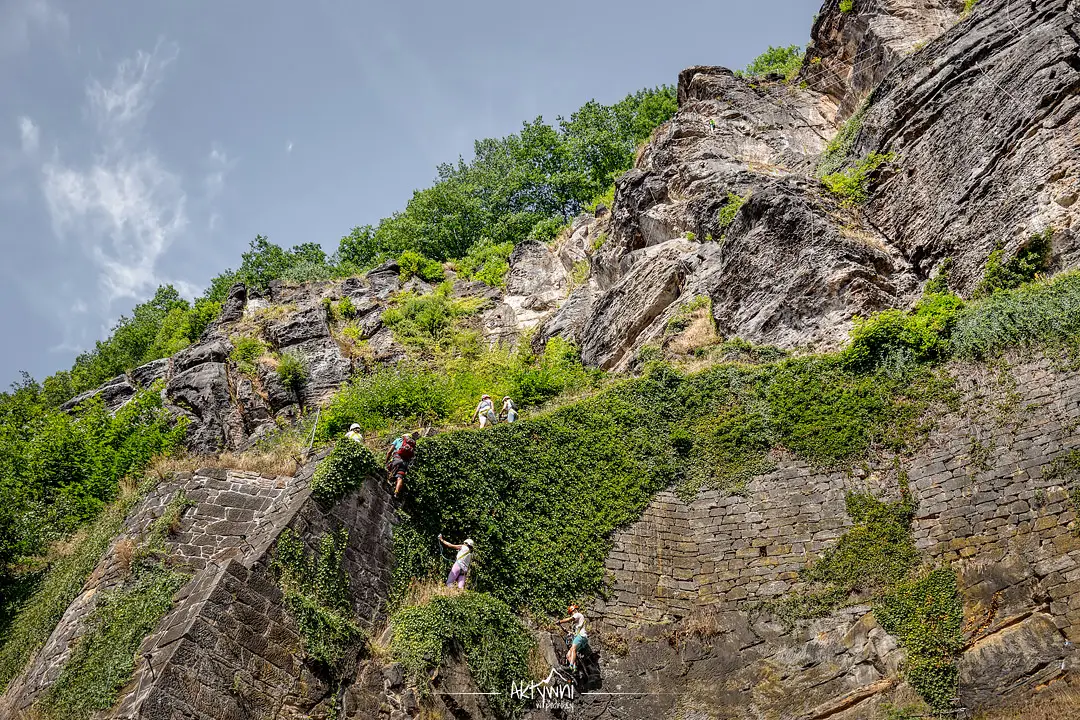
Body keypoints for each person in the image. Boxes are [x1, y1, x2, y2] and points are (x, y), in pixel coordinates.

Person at [385, 431, 419, 498]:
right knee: (400, 477)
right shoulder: (412, 444)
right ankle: (396, 493)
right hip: (405, 462)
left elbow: (389, 452)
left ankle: (388, 483)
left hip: (397, 459)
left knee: (389, 469)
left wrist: (386, 461)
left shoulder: (398, 440)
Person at [556, 604, 589, 673]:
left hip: (581, 636)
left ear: (574, 611)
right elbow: (571, 633)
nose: (572, 614)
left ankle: (570, 666)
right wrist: (561, 627)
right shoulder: (577, 624)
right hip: (580, 637)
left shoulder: (578, 614)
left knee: (573, 649)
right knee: (568, 655)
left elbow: (570, 619)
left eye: (571, 613)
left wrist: (560, 621)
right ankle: (575, 668)